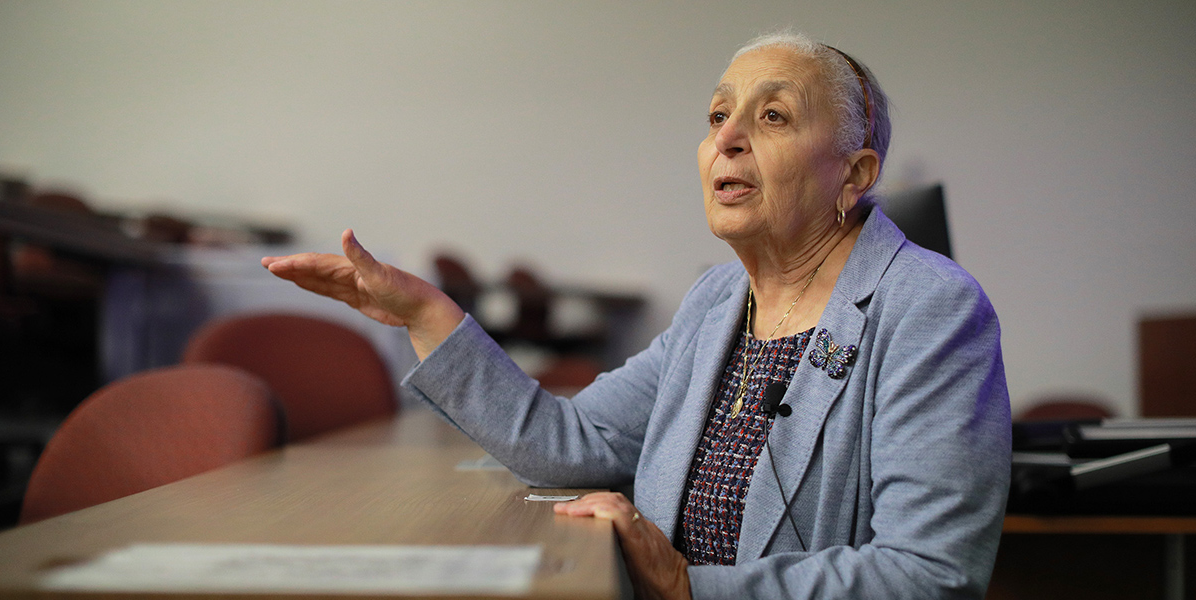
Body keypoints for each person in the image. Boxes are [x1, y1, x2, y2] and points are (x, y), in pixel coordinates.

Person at [262, 29, 1011, 600]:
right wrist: (426, 311)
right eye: (718, 114)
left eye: (773, 116)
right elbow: (572, 442)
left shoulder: (932, 308)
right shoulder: (716, 301)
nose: (727, 137)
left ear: (856, 174)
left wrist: (689, 585)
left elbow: (927, 575)